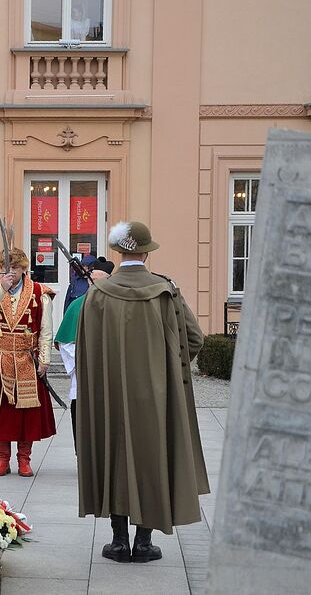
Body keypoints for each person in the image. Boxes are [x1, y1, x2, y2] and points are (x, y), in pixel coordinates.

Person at [76, 221, 207, 564]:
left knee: (114, 456)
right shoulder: (166, 291)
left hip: (110, 394)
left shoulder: (96, 295)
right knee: (152, 457)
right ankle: (144, 543)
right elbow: (194, 340)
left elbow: (83, 350)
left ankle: (119, 542)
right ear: (147, 252)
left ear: (118, 252)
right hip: (155, 393)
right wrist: (167, 368)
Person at [0, 247, 56, 477]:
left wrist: (45, 359)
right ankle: (2, 458)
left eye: (15, 268)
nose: (10, 272)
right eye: (5, 269)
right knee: (0, 412)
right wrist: (2, 289)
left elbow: (46, 330)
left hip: (27, 357)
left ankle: (24, 459)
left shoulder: (39, 291)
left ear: (23, 269)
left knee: (26, 413)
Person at [54, 258, 114, 451]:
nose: (92, 283)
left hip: (112, 374)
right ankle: (82, 453)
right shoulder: (77, 305)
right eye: (91, 279)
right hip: (83, 373)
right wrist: (82, 364)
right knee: (81, 412)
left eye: (98, 280)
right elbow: (65, 342)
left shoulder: (117, 304)